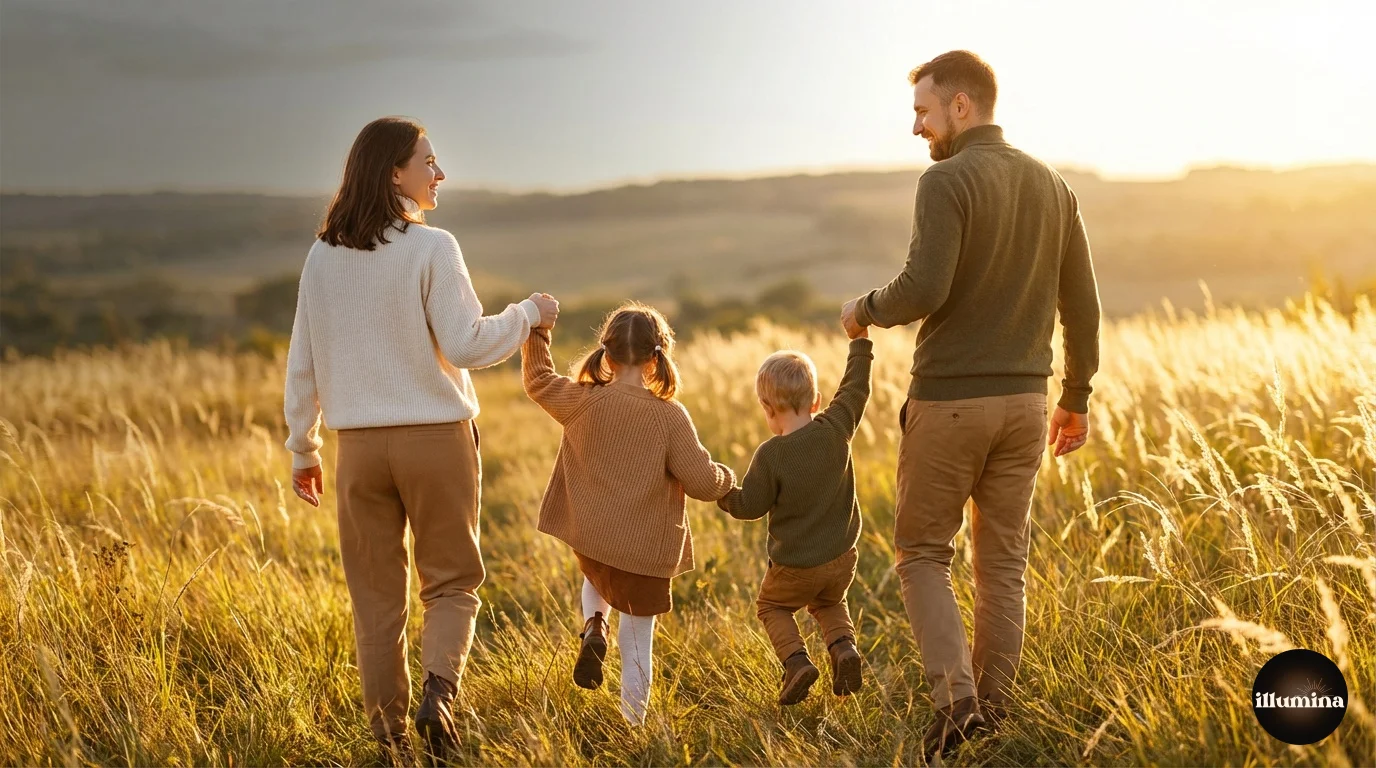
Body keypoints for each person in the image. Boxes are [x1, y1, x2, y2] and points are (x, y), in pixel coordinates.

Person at [840, 50, 1101, 759]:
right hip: (1026, 404)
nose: (916, 126)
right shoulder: (1053, 185)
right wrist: (1074, 397)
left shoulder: (945, 181)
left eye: (923, 111)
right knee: (1002, 564)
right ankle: (998, 711)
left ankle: (956, 707)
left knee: (923, 553)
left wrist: (863, 308)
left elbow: (923, 287)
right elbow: (1083, 304)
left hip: (951, 404)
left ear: (961, 106)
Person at [283, 116, 559, 760]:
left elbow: (303, 362)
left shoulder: (322, 256)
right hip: (436, 439)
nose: (440, 174)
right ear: (394, 175)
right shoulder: (433, 247)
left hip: (356, 453)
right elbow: (466, 343)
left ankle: (392, 744)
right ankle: (440, 693)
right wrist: (529, 314)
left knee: (375, 603)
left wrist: (304, 448)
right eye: (428, 162)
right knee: (452, 583)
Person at [520, 301, 734, 725]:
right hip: (641, 554)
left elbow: (538, 379)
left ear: (606, 352)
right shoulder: (669, 416)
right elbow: (704, 483)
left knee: (596, 575)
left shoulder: (581, 399)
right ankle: (633, 729)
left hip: (592, 539)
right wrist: (727, 478)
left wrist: (538, 330)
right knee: (637, 643)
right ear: (658, 357)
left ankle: (594, 624)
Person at [716, 325, 873, 706]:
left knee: (772, 606)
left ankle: (796, 662)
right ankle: (843, 649)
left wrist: (720, 490)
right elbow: (856, 387)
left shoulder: (771, 455)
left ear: (768, 409)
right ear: (817, 399)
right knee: (830, 603)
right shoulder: (837, 426)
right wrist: (860, 342)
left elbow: (749, 507)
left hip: (795, 567)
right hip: (842, 558)